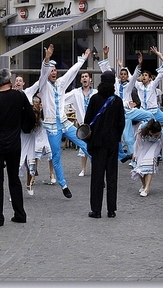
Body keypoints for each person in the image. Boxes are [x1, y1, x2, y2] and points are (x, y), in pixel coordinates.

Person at [39, 43, 91, 198]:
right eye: (51, 70)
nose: (53, 72)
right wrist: (47, 59)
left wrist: (83, 60)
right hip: (52, 126)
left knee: (86, 142)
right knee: (56, 155)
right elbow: (43, 72)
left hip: (64, 122)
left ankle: (100, 173)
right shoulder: (43, 85)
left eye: (55, 70)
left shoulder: (61, 83)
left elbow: (72, 72)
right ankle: (63, 184)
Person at [0, 68, 35, 226]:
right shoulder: (19, 96)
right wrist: (24, 127)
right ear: (10, 81)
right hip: (14, 143)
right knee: (14, 179)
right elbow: (31, 116)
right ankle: (20, 213)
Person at [83, 69, 125, 218]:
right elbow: (121, 123)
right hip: (112, 143)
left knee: (97, 177)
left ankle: (96, 210)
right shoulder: (117, 101)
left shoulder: (94, 99)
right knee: (112, 176)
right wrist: (116, 137)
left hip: (98, 143)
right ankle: (111, 210)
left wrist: (90, 140)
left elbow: (87, 122)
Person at [65, 71, 97, 176]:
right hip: (83, 125)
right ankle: (83, 169)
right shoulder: (76, 92)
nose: (84, 78)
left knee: (95, 147)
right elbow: (63, 98)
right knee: (83, 146)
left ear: (90, 79)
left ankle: (95, 168)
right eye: (82, 77)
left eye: (86, 76)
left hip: (95, 124)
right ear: (80, 80)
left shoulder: (96, 92)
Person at [131, 119, 163, 197]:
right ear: (150, 131)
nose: (156, 135)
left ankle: (147, 188)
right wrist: (136, 154)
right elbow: (138, 142)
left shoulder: (161, 133)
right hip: (144, 144)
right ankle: (144, 185)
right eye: (155, 135)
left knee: (149, 162)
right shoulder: (142, 128)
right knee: (140, 165)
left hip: (155, 145)